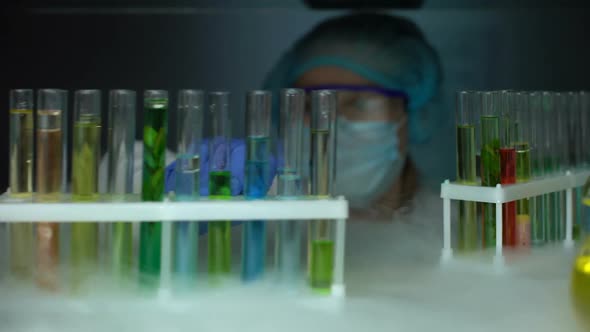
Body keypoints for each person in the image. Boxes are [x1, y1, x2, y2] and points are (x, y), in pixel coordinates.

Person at [264, 13, 443, 219]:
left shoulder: (453, 232)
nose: (328, 122)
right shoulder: (257, 225)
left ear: (412, 114)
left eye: (358, 103)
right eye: (309, 105)